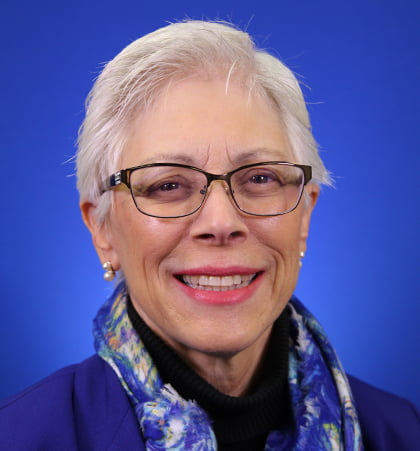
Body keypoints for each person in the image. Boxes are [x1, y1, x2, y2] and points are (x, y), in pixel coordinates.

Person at [0, 20, 418, 451]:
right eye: (167, 185)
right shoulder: (17, 438)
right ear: (102, 229)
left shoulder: (402, 431)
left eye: (259, 177)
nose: (221, 222)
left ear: (305, 213)